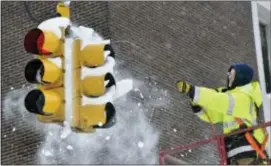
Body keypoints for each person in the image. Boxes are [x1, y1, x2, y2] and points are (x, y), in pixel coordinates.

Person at [176, 63, 270, 165]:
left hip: (248, 153)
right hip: (238, 154)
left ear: (240, 77)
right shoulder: (233, 101)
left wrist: (194, 91)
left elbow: (220, 101)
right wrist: (197, 104)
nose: (229, 77)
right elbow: (213, 115)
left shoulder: (244, 98)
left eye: (232, 74)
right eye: (229, 74)